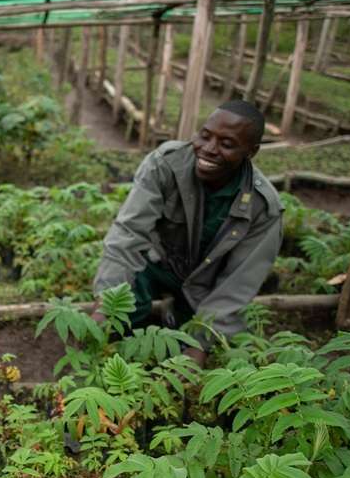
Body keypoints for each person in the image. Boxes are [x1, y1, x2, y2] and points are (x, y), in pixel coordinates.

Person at [92, 99, 282, 367]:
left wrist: (201, 343)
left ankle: (176, 317)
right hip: (158, 264)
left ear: (251, 152)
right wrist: (107, 300)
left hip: (207, 284)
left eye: (226, 144)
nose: (209, 149)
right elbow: (128, 233)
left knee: (202, 348)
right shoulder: (166, 164)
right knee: (120, 315)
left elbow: (238, 283)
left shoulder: (263, 207)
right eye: (205, 136)